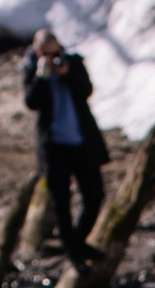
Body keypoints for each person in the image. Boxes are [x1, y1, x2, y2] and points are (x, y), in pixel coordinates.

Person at [22, 27, 105, 263]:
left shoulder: (73, 63)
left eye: (54, 53)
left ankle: (77, 241)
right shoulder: (32, 70)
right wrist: (41, 77)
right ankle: (71, 250)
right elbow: (31, 102)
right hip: (54, 145)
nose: (52, 59)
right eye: (46, 55)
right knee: (61, 201)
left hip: (80, 141)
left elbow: (86, 90)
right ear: (38, 54)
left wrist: (67, 73)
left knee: (94, 195)